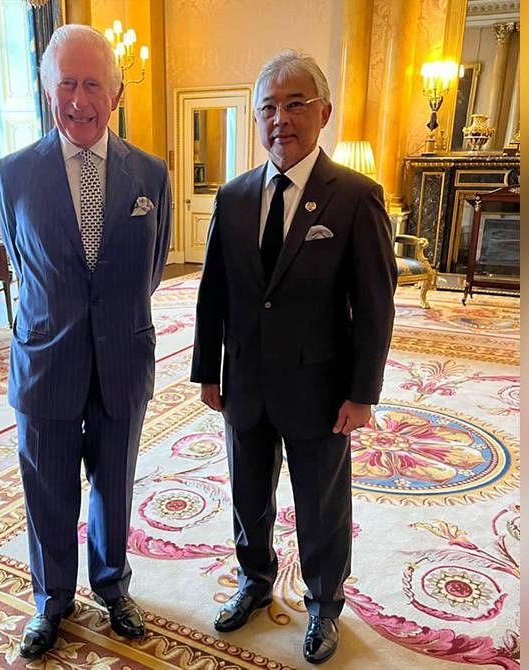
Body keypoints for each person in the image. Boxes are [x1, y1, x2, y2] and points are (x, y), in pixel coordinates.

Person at [190, 49, 396, 664]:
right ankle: (255, 581)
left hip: (320, 389)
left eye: (295, 103)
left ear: (323, 112)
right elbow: (214, 293)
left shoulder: (355, 197)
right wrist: (207, 370)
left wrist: (362, 392)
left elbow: (376, 304)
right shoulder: (232, 197)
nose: (281, 118)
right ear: (257, 120)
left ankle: (324, 604)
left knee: (321, 504)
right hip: (246, 383)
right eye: (269, 108)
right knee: (248, 493)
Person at [0, 24, 171, 659]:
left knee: (114, 483)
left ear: (115, 92)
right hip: (46, 361)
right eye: (66, 82)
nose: (79, 98)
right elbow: (23, 262)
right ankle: (51, 601)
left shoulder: (150, 174)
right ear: (49, 91)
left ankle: (112, 586)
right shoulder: (15, 174)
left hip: (123, 357)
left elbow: (150, 271)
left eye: (92, 82)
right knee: (46, 487)